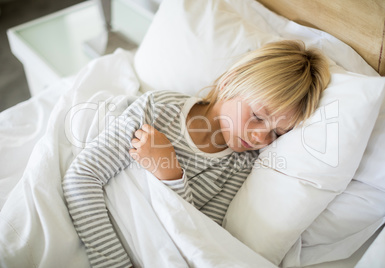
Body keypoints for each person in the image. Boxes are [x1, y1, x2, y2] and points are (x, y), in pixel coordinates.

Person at [62, 40, 330, 268]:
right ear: (229, 83)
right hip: (92, 231)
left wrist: (170, 175)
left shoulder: (241, 165)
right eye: (258, 116)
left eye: (277, 134)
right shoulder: (159, 111)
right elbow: (82, 177)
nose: (261, 138)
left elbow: (199, 231)